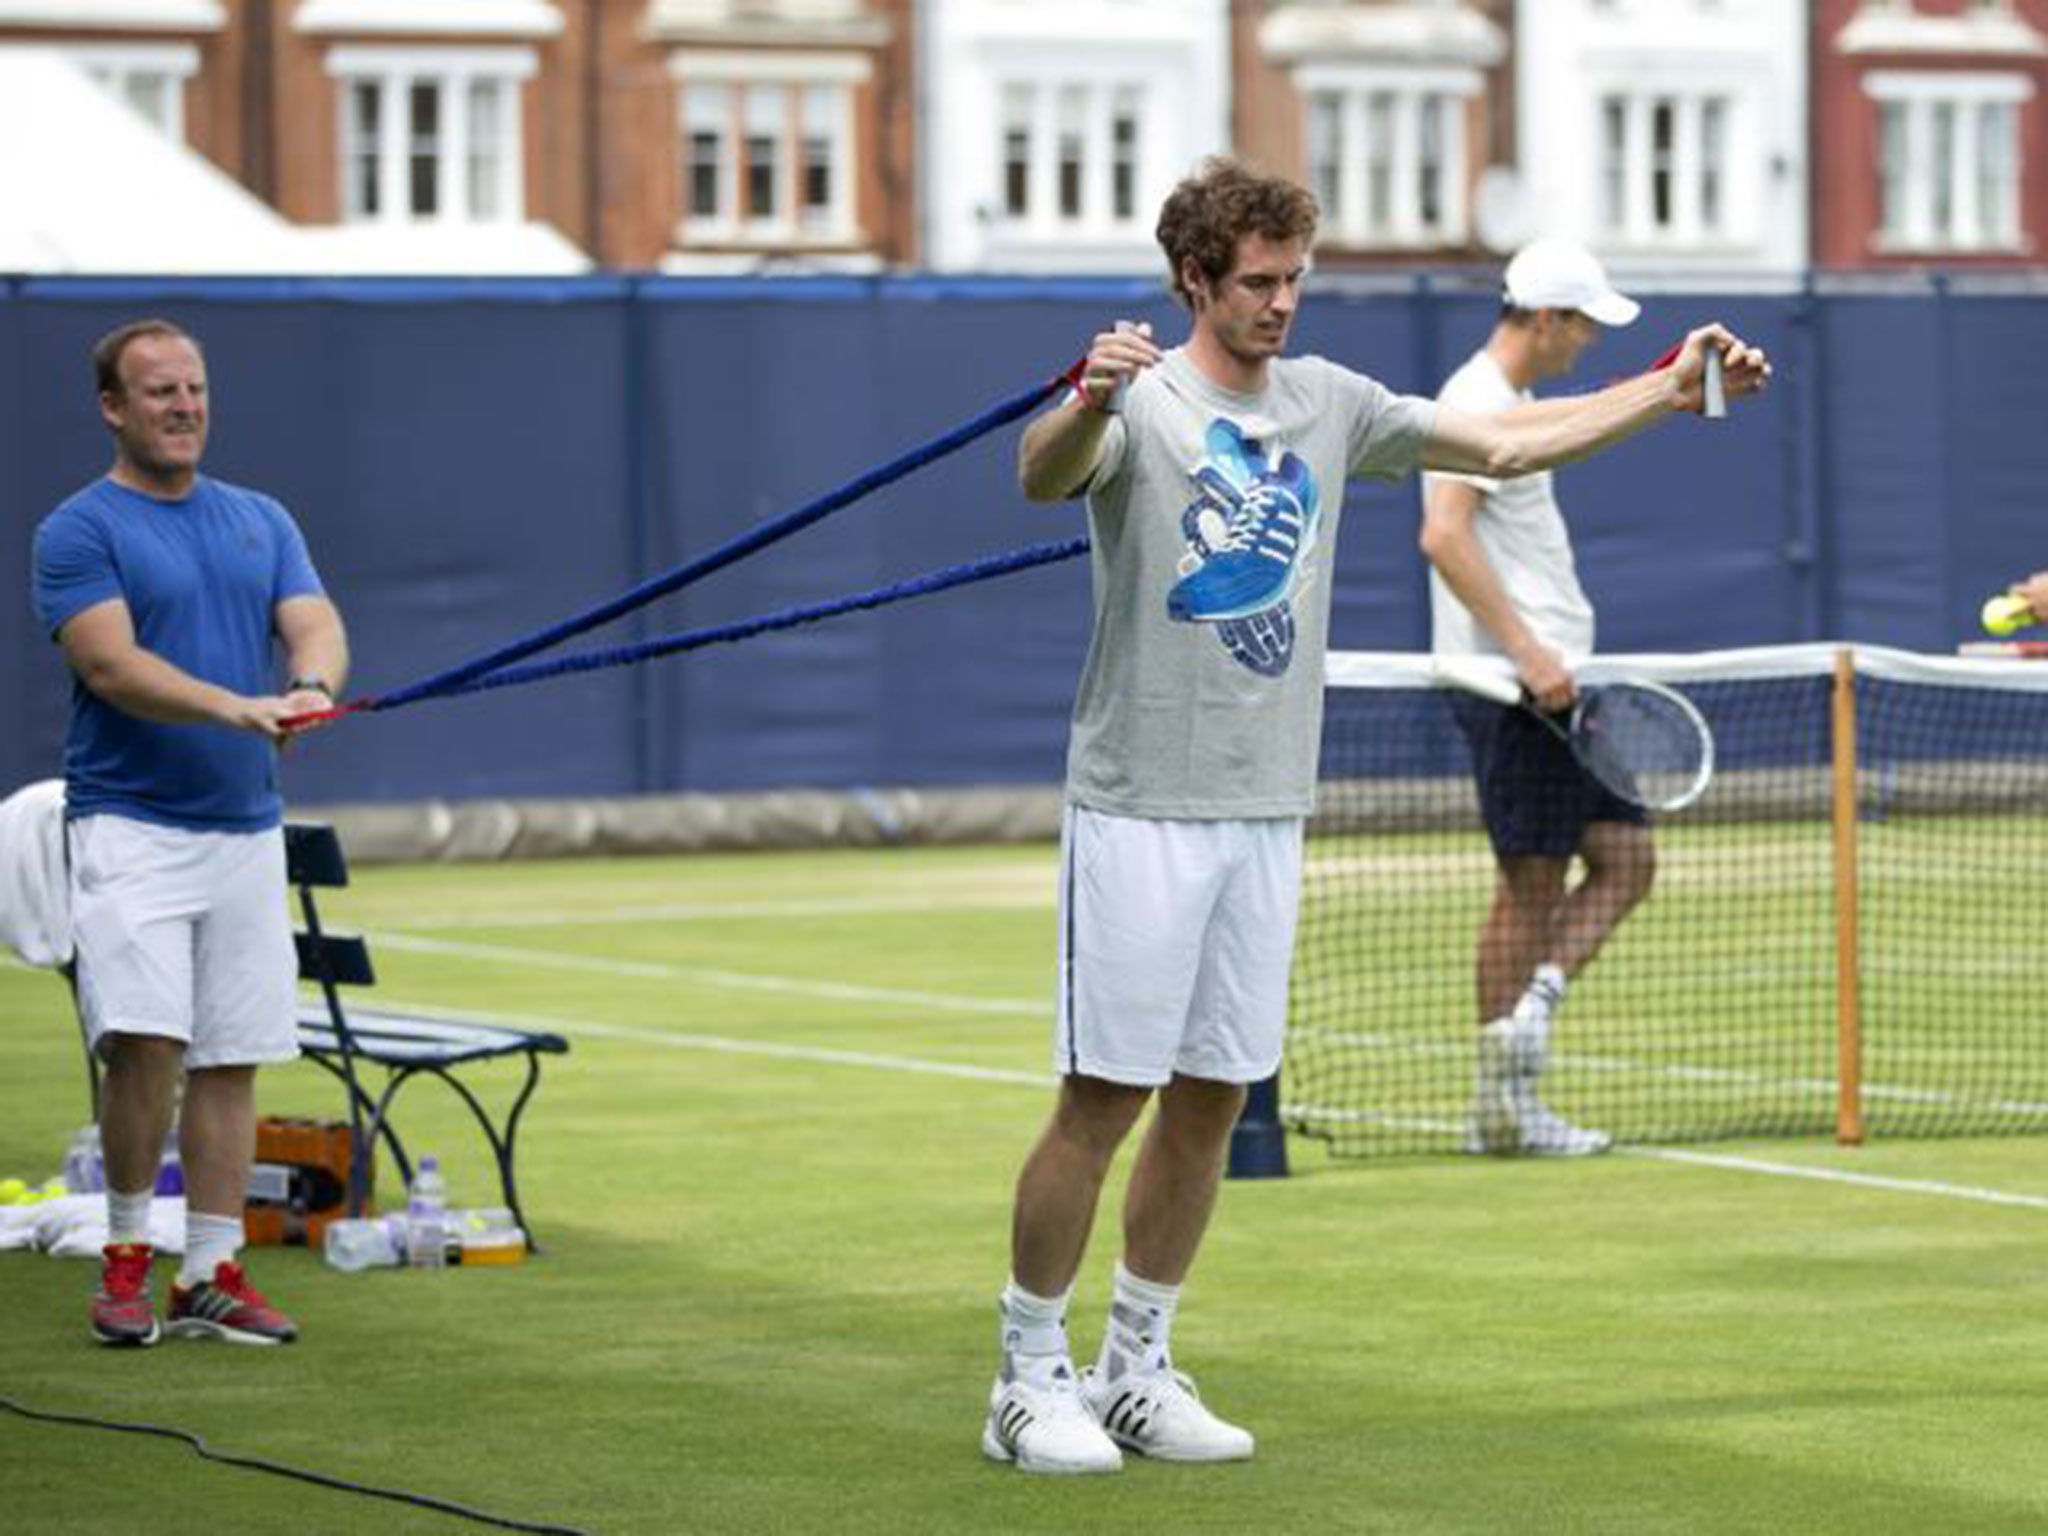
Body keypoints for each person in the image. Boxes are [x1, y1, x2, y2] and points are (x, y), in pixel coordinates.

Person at [986, 158, 1769, 1475]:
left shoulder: (1333, 404)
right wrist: (1086, 396)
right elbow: (1041, 475)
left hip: (1266, 809)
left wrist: (1671, 383)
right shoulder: (1141, 399)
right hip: (1140, 807)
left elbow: (1511, 442)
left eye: (1295, 280)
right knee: (1103, 1096)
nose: (1280, 304)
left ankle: (1137, 1363)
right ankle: (1025, 1377)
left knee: (1212, 1098)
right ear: (1193, 281)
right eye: (1255, 284)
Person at [32, 318, 348, 1347]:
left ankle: (207, 1272)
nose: (183, 407)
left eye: (195, 389)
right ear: (114, 409)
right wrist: (237, 708)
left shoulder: (259, 519)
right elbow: (111, 666)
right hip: (131, 828)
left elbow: (314, 622)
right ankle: (127, 1260)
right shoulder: (79, 530)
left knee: (232, 1055)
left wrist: (305, 688)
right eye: (159, 391)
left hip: (243, 832)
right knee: (145, 1049)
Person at [1419, 237, 1654, 1158]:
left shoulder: (1507, 403)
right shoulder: (1473, 405)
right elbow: (1444, 536)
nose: (1585, 344)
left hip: (1557, 686)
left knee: (1629, 861)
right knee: (1528, 887)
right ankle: (1503, 1109)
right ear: (1548, 319)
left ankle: (1528, 1022)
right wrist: (1524, 651)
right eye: (1584, 327)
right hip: (1515, 688)